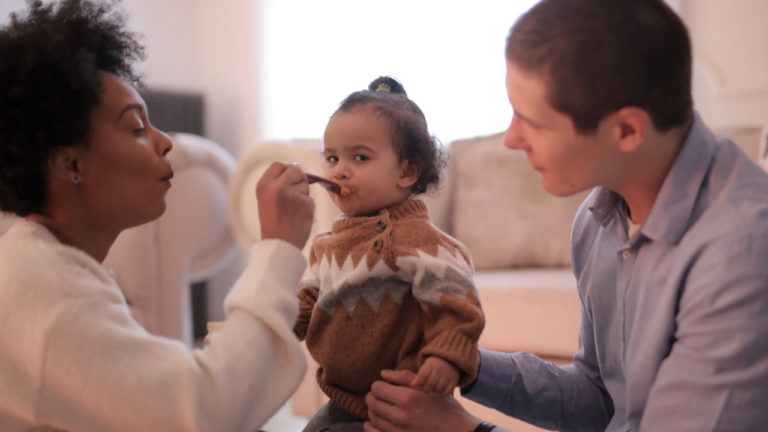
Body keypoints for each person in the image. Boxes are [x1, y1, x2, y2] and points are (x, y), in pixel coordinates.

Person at [364, 1, 768, 431]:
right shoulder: (597, 219)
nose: (512, 140)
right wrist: (466, 362)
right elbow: (602, 399)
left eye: (532, 121)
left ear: (627, 131)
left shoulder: (741, 253)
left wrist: (464, 429)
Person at [0, 1, 315, 430]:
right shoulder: (43, 289)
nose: (165, 141)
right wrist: (278, 250)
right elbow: (200, 410)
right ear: (69, 164)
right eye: (135, 128)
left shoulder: (45, 263)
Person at [294, 76, 485, 432]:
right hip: (340, 399)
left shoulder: (419, 241)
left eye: (360, 157)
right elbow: (306, 304)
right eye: (331, 157)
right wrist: (268, 322)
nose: (339, 169)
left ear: (408, 170)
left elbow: (457, 301)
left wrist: (446, 357)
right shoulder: (326, 245)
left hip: (402, 404)